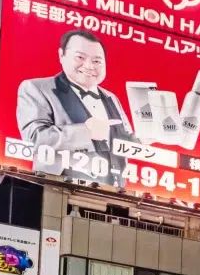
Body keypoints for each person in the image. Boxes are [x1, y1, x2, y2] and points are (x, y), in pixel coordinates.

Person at [9, 26, 131, 186]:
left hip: (114, 192)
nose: (89, 66)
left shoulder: (111, 97)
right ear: (62, 55)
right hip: (59, 188)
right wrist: (86, 132)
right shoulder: (36, 88)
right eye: (80, 57)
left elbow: (123, 140)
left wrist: (145, 139)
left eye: (97, 61)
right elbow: (34, 139)